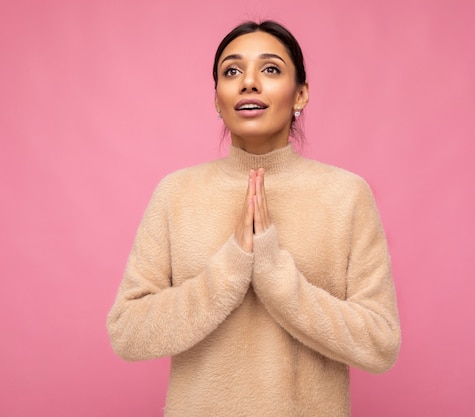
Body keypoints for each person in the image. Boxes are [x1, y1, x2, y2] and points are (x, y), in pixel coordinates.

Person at [107, 20, 401, 417]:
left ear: (301, 95)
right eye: (232, 71)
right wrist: (229, 271)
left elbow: (380, 343)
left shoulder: (346, 195)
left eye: (270, 69)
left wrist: (276, 275)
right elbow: (128, 332)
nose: (248, 82)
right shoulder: (176, 194)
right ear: (217, 98)